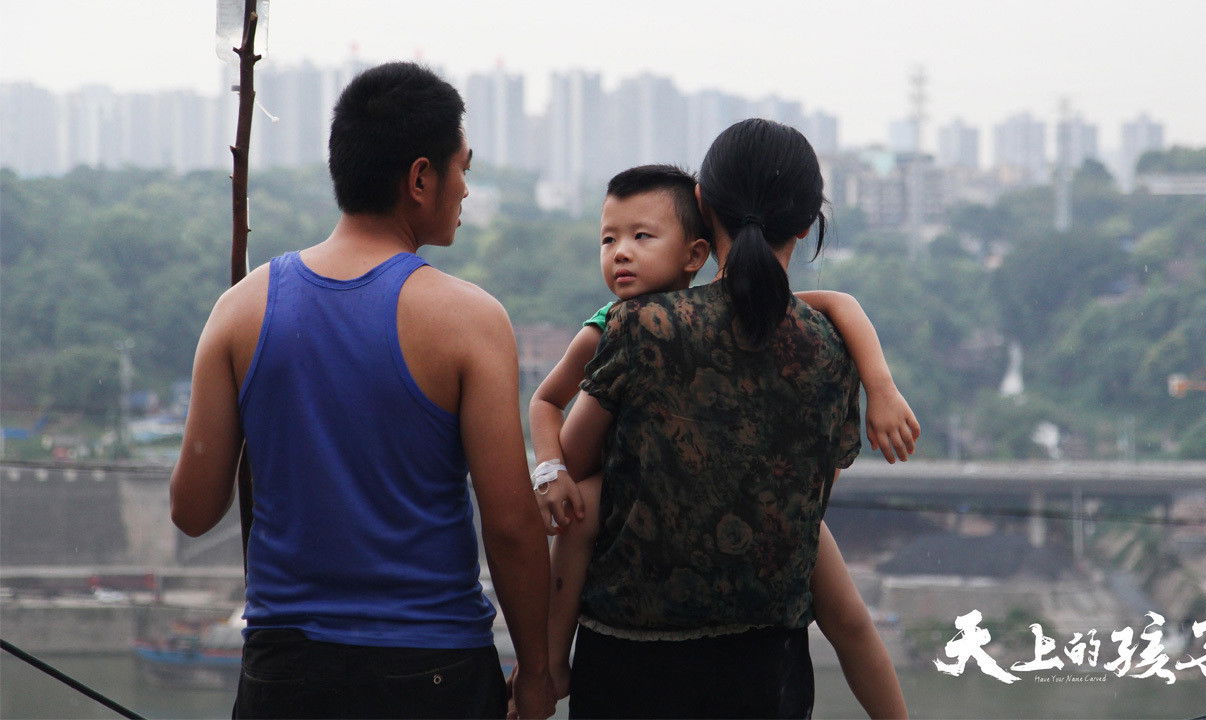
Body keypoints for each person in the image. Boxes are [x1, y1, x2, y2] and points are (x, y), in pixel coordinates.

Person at [168, 62, 555, 720]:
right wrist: (539, 671)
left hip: (284, 670)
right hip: (433, 671)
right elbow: (513, 527)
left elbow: (193, 510)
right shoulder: (469, 320)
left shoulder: (240, 310)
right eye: (463, 167)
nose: (465, 188)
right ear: (421, 178)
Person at [552, 119, 911, 718]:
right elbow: (805, 506)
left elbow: (574, 462)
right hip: (767, 674)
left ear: (702, 204)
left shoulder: (646, 328)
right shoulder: (830, 350)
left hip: (631, 672)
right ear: (806, 224)